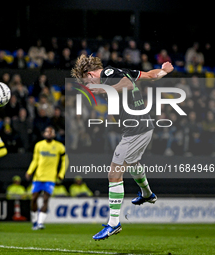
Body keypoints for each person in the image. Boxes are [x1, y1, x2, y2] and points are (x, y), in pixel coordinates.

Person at [71, 54, 174, 240]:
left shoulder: (108, 74)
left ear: (90, 74)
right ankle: (147, 194)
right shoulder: (122, 71)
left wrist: (106, 90)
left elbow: (125, 84)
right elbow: (150, 75)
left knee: (114, 173)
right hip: (139, 127)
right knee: (133, 163)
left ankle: (113, 223)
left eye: (87, 82)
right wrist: (164, 71)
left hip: (137, 129)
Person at [25, 126, 67, 230]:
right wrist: (30, 171)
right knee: (34, 199)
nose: (49, 133)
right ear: (44, 134)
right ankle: (34, 221)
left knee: (45, 199)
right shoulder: (39, 145)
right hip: (38, 177)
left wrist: (61, 174)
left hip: (50, 178)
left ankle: (40, 223)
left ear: (54, 134)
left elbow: (65, 161)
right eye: (47, 132)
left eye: (51, 132)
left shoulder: (59, 147)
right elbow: (35, 160)